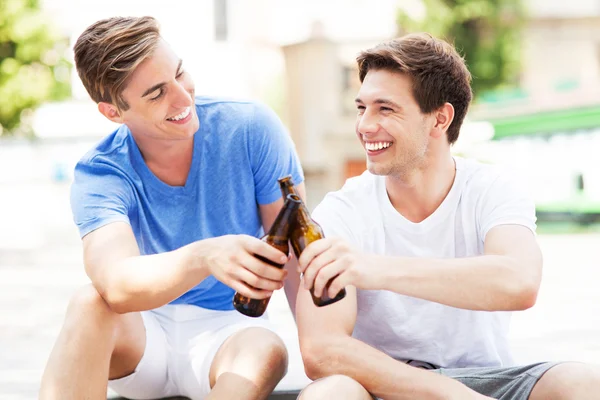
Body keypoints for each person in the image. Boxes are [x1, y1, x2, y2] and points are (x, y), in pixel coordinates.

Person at [294, 33, 600, 400]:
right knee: (328, 394)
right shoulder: (342, 211)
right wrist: (451, 394)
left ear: (440, 119)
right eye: (362, 108)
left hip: (488, 379)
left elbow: (519, 281)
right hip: (384, 384)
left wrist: (372, 268)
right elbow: (321, 349)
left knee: (581, 383)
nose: (364, 125)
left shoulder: (492, 189)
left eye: (385, 109)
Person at [39, 16, 305, 400]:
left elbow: (297, 250)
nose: (183, 98)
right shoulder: (101, 172)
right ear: (113, 112)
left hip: (227, 329)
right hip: (144, 336)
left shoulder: (250, 127)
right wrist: (205, 255)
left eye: (180, 74)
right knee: (88, 303)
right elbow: (115, 283)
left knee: (266, 351)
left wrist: (323, 361)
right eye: (156, 93)